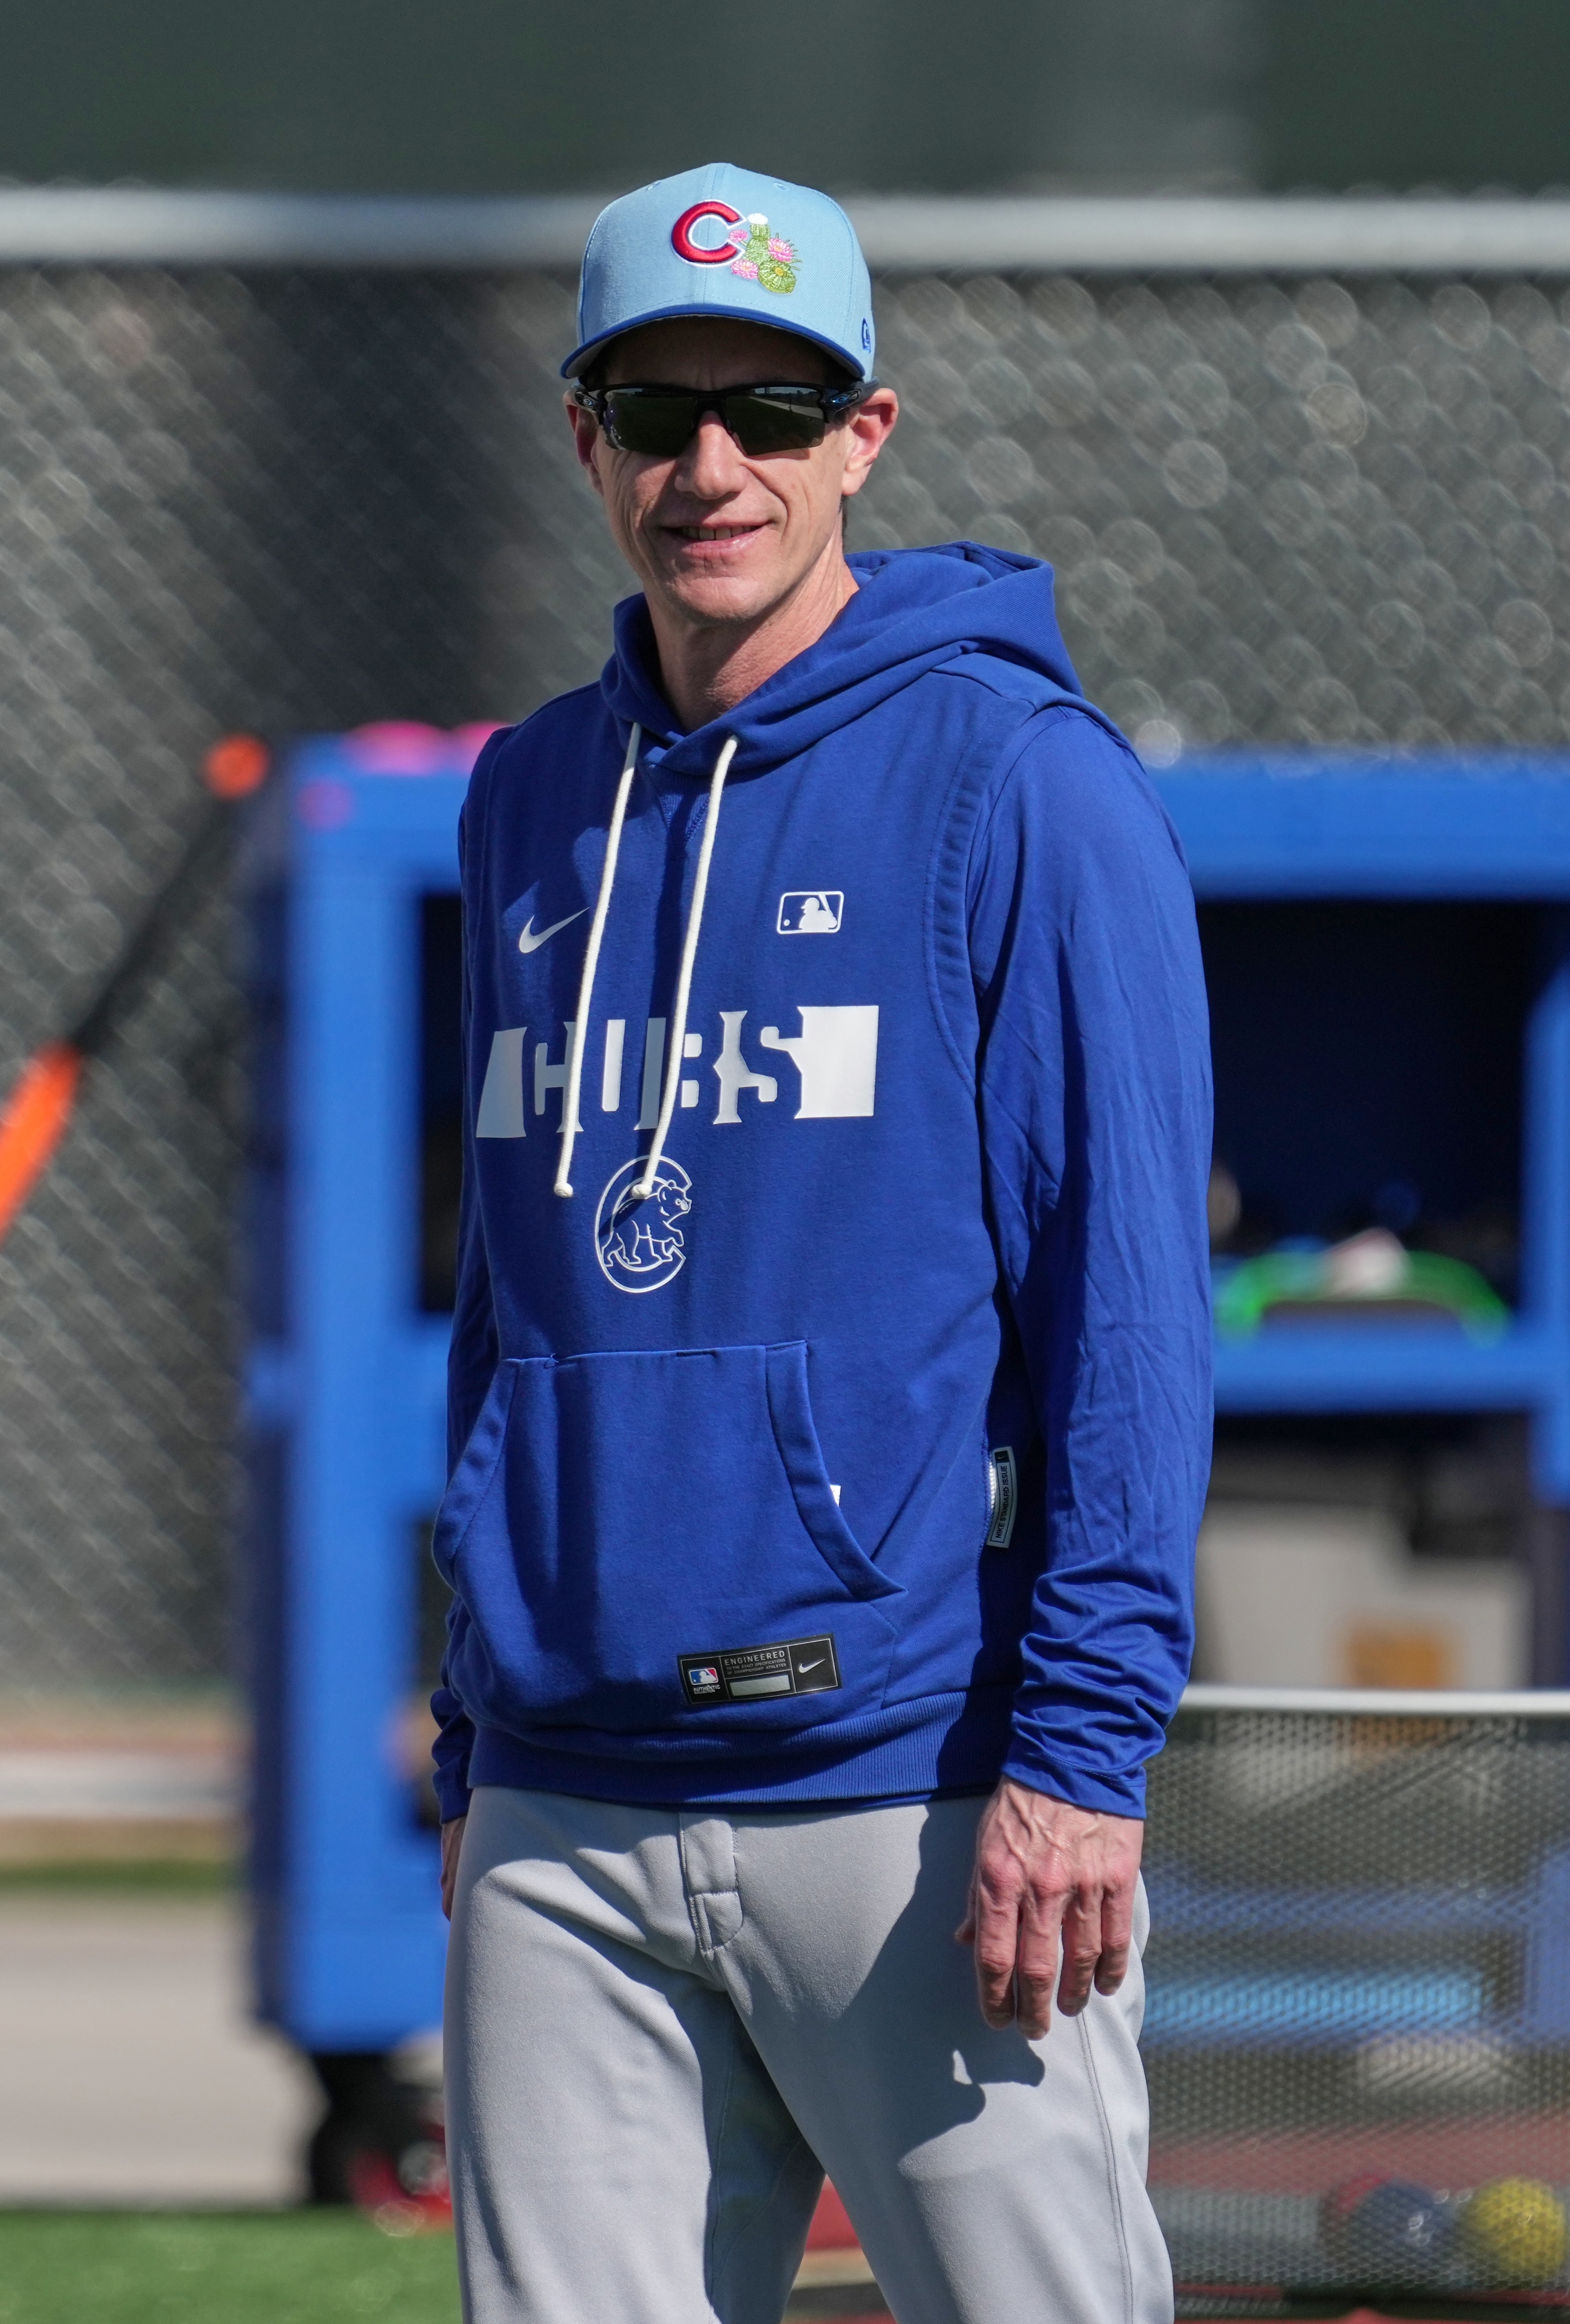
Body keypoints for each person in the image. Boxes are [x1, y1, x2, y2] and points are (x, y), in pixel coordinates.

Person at [433, 161, 1212, 2324]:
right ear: (580, 430)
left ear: (866, 431)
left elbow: (1129, 1316)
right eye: (656, 404)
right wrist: (473, 1733)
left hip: (917, 1784)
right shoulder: (522, 802)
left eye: (771, 411)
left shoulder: (1023, 781)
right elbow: (516, 1293)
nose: (712, 466)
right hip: (566, 1798)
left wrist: (1078, 1755)